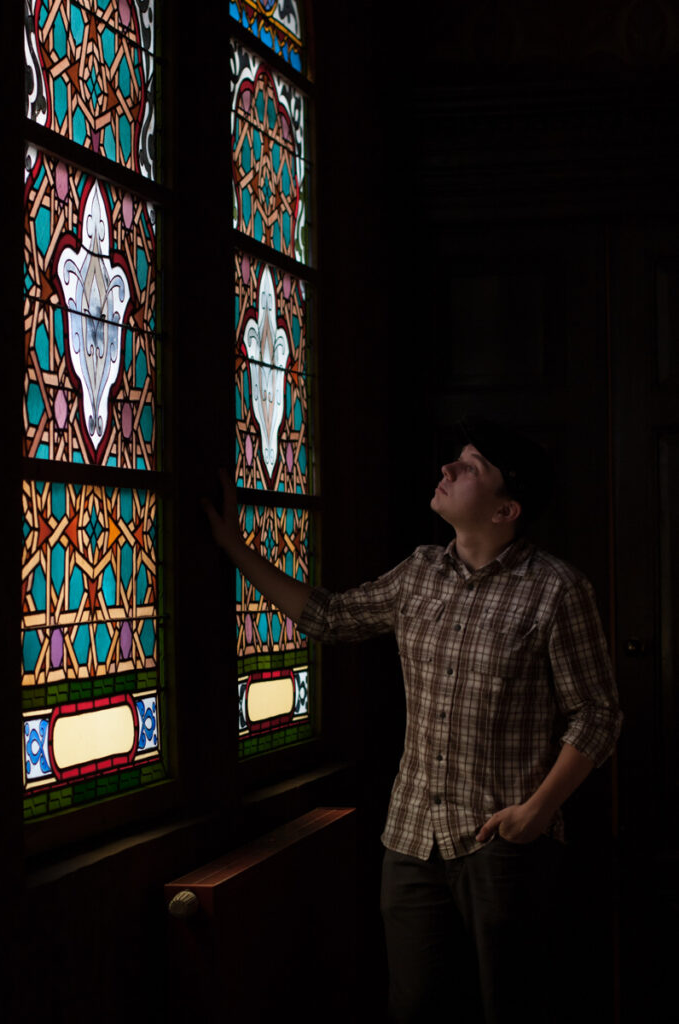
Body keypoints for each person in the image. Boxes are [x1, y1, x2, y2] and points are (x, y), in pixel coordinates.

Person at [204, 416, 622, 1024]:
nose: (448, 469)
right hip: (410, 839)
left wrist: (537, 812)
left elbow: (598, 715)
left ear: (506, 510)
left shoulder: (556, 590)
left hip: (503, 842)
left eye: (471, 467)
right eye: (456, 458)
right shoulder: (420, 570)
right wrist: (234, 548)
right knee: (415, 1008)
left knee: (514, 1007)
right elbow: (330, 617)